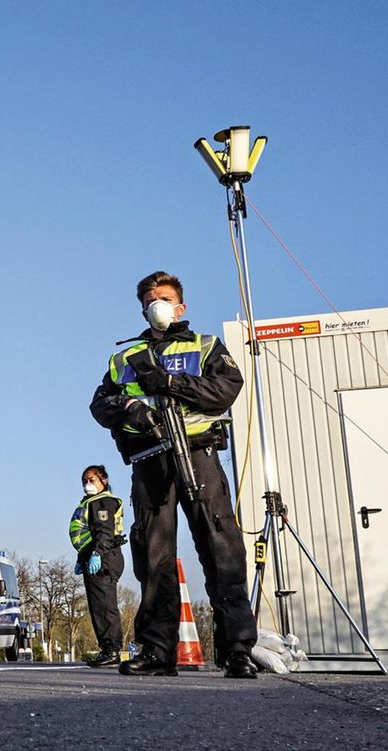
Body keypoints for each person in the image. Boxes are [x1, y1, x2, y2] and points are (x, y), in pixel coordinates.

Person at [89, 271, 258, 678]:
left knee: (222, 550)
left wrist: (170, 382)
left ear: (180, 306)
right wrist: (130, 410)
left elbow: (226, 388)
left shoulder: (205, 347)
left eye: (163, 297)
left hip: (197, 455)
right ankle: (157, 651)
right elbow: (99, 404)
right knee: (153, 555)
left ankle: (237, 650)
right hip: (149, 460)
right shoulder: (125, 359)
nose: (156, 304)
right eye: (149, 299)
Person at [70, 465, 126, 668]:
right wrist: (81, 558)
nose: (87, 484)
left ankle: (112, 650)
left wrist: (96, 554)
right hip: (95, 557)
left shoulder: (103, 502)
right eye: (84, 480)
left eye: (92, 480)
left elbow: (104, 532)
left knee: (104, 606)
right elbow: (89, 533)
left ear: (103, 480)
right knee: (98, 606)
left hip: (104, 557)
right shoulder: (90, 502)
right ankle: (108, 649)